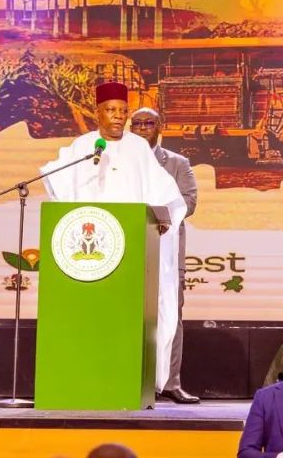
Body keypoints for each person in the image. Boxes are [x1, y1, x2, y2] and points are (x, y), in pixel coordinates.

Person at [40, 81, 186, 392]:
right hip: (92, 252)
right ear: (98, 113)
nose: (118, 116)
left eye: (122, 111)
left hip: (132, 247)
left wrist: (161, 219)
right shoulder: (82, 147)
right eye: (111, 110)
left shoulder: (138, 148)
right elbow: (59, 183)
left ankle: (125, 376)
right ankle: (87, 376)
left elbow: (164, 193)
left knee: (127, 316)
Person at [130, 106, 200, 405]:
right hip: (128, 248)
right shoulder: (116, 162)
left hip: (166, 249)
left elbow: (189, 201)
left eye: (149, 123)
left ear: (160, 127)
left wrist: (159, 212)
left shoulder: (177, 163)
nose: (142, 127)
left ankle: (171, 383)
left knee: (171, 315)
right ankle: (128, 378)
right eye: (137, 123)